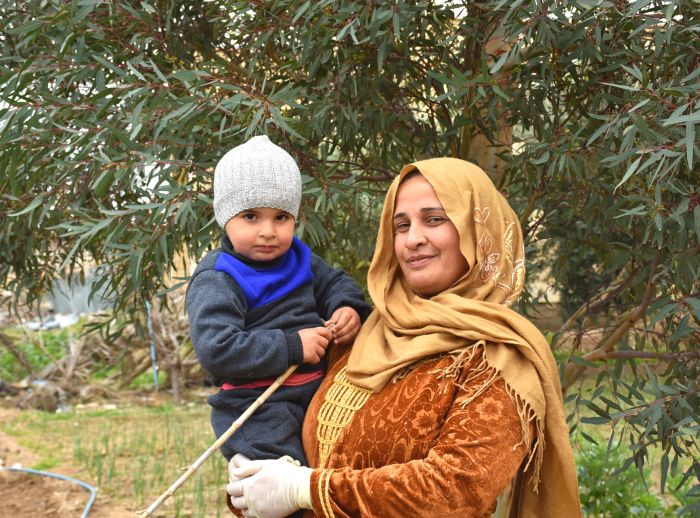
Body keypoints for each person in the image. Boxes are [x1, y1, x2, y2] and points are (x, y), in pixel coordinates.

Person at [226, 157, 581, 517]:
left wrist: (305, 487)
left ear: (477, 230)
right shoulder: (363, 332)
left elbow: (454, 490)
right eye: (401, 225)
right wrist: (253, 473)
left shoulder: (499, 359)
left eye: (434, 219)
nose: (413, 239)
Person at [186, 135, 372, 467]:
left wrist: (348, 308)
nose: (268, 231)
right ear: (224, 216)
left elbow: (335, 284)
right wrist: (291, 347)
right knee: (280, 481)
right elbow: (217, 349)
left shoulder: (300, 258)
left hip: (316, 389)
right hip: (258, 406)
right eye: (251, 216)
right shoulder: (220, 275)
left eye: (281, 217)